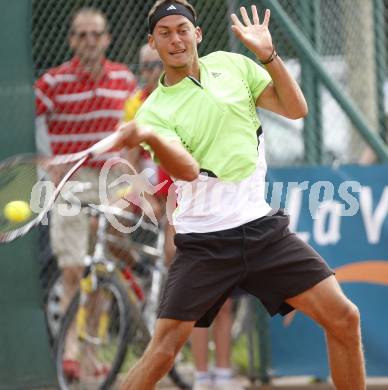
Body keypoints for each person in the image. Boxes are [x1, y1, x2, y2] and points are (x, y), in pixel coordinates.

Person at [114, 1, 366, 389]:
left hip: (263, 231)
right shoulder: (153, 112)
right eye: (164, 33)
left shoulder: (234, 66)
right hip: (204, 244)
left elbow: (297, 109)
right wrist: (147, 136)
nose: (175, 39)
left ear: (197, 34)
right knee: (162, 352)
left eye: (182, 29)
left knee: (344, 317)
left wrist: (268, 56)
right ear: (153, 42)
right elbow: (186, 170)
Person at [125, 42, 242, 390]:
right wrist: (148, 196)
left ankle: (222, 375)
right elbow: (131, 161)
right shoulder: (146, 107)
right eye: (145, 66)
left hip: (220, 204)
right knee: (197, 298)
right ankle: (203, 378)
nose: (150, 73)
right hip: (180, 204)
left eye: (153, 67)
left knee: (223, 300)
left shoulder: (204, 97)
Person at [34, 7, 137, 377]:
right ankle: (72, 349)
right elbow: (23, 116)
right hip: (71, 182)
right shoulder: (52, 82)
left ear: (107, 39)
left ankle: (91, 352)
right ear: (71, 40)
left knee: (103, 266)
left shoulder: (124, 79)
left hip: (112, 181)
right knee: (74, 268)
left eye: (96, 34)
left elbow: (136, 126)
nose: (90, 41)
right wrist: (47, 161)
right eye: (82, 34)